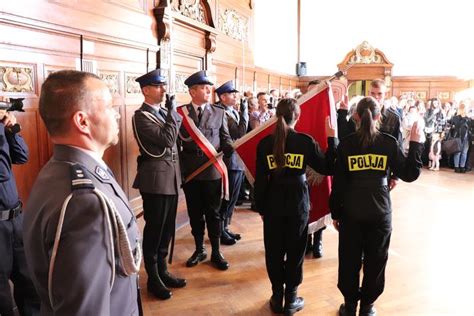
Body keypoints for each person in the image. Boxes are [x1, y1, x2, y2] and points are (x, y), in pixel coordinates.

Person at [23, 70, 142, 315]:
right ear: (82, 122)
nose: (117, 114)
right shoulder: (84, 202)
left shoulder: (58, 170)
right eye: (109, 107)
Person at [330, 97, 424, 316]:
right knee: (376, 260)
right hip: (380, 212)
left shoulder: (347, 144)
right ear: (379, 116)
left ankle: (351, 305)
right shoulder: (389, 142)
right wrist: (416, 143)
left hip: (351, 211)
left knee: (349, 260)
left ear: (355, 116)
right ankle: (367, 307)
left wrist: (335, 212)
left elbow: (339, 184)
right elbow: (410, 174)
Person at [254, 98, 338, 315]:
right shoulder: (305, 141)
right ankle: (291, 297)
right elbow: (328, 168)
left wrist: (262, 208)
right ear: (297, 117)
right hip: (298, 202)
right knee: (295, 249)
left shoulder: (264, 144)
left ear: (276, 117)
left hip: (273, 200)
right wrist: (332, 139)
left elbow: (260, 182)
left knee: (273, 249)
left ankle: (276, 295)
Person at [132, 69, 186, 300]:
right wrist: (172, 113)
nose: (164, 90)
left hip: (171, 177)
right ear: (146, 90)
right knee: (155, 229)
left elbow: (177, 136)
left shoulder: (164, 112)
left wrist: (170, 114)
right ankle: (153, 277)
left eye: (164, 85)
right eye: (158, 86)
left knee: (167, 228)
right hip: (155, 180)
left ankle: (163, 270)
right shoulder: (141, 116)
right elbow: (166, 140)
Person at [178, 70, 233, 270]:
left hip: (212, 172)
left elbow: (225, 137)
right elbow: (176, 145)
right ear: (192, 92)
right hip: (191, 173)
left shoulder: (219, 112)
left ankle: (216, 251)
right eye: (203, 87)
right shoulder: (180, 113)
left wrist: (228, 147)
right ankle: (199, 249)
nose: (208, 90)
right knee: (194, 213)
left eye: (208, 87)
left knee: (214, 213)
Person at [0, 102, 39, 316]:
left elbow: (22, 156)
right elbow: (2, 173)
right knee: (2, 298)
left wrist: (12, 130)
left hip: (16, 220)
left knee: (30, 285)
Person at [338, 79, 402, 191]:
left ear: (385, 94)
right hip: (358, 167)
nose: (376, 97)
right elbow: (345, 137)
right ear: (368, 93)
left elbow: (398, 145)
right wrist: (343, 113)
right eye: (373, 93)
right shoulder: (358, 113)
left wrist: (395, 176)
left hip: (381, 169)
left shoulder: (394, 118)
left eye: (379, 94)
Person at [215, 80, 249, 246]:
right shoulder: (221, 112)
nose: (236, 96)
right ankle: (220, 230)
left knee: (233, 198)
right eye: (232, 93)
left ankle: (226, 227)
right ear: (222, 97)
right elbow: (240, 132)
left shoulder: (230, 111)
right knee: (226, 198)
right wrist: (245, 111)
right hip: (229, 162)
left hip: (237, 161)